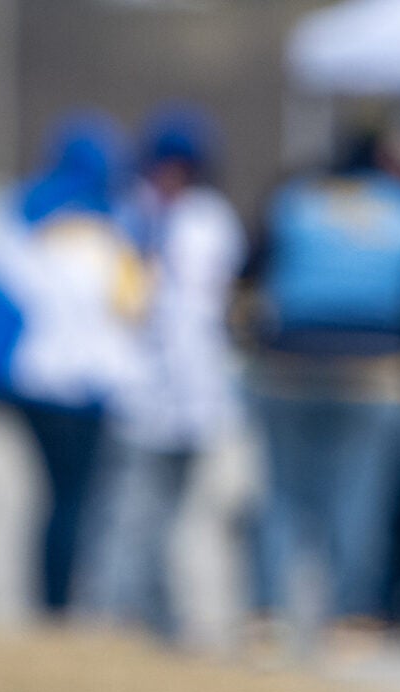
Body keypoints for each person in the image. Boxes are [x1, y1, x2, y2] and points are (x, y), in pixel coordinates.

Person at [246, 115, 400, 636]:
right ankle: (349, 617)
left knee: (283, 494)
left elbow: (254, 277)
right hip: (376, 368)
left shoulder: (296, 201)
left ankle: (268, 613)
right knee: (359, 496)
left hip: (287, 363)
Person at [0, 114, 145, 617]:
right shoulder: (119, 219)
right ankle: (63, 604)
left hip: (32, 381)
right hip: (89, 386)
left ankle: (55, 602)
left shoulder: (18, 210)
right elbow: (132, 304)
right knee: (76, 499)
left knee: (56, 497)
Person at [83, 107, 245, 642]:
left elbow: (215, 305)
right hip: (138, 392)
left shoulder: (210, 220)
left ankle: (158, 619)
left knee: (170, 520)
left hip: (195, 396)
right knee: (129, 515)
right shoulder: (127, 216)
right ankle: (113, 617)